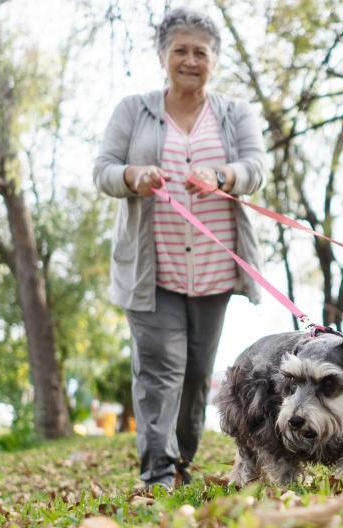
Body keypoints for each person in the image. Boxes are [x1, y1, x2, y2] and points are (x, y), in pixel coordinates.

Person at [93, 6, 268, 492]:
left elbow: (255, 167)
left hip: (214, 268)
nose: (190, 60)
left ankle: (182, 460)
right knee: (159, 374)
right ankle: (157, 473)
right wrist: (134, 175)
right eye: (180, 51)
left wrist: (221, 176)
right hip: (153, 269)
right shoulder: (134, 110)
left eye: (200, 52)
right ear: (163, 56)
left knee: (197, 376)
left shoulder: (234, 114)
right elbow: (104, 169)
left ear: (214, 59)